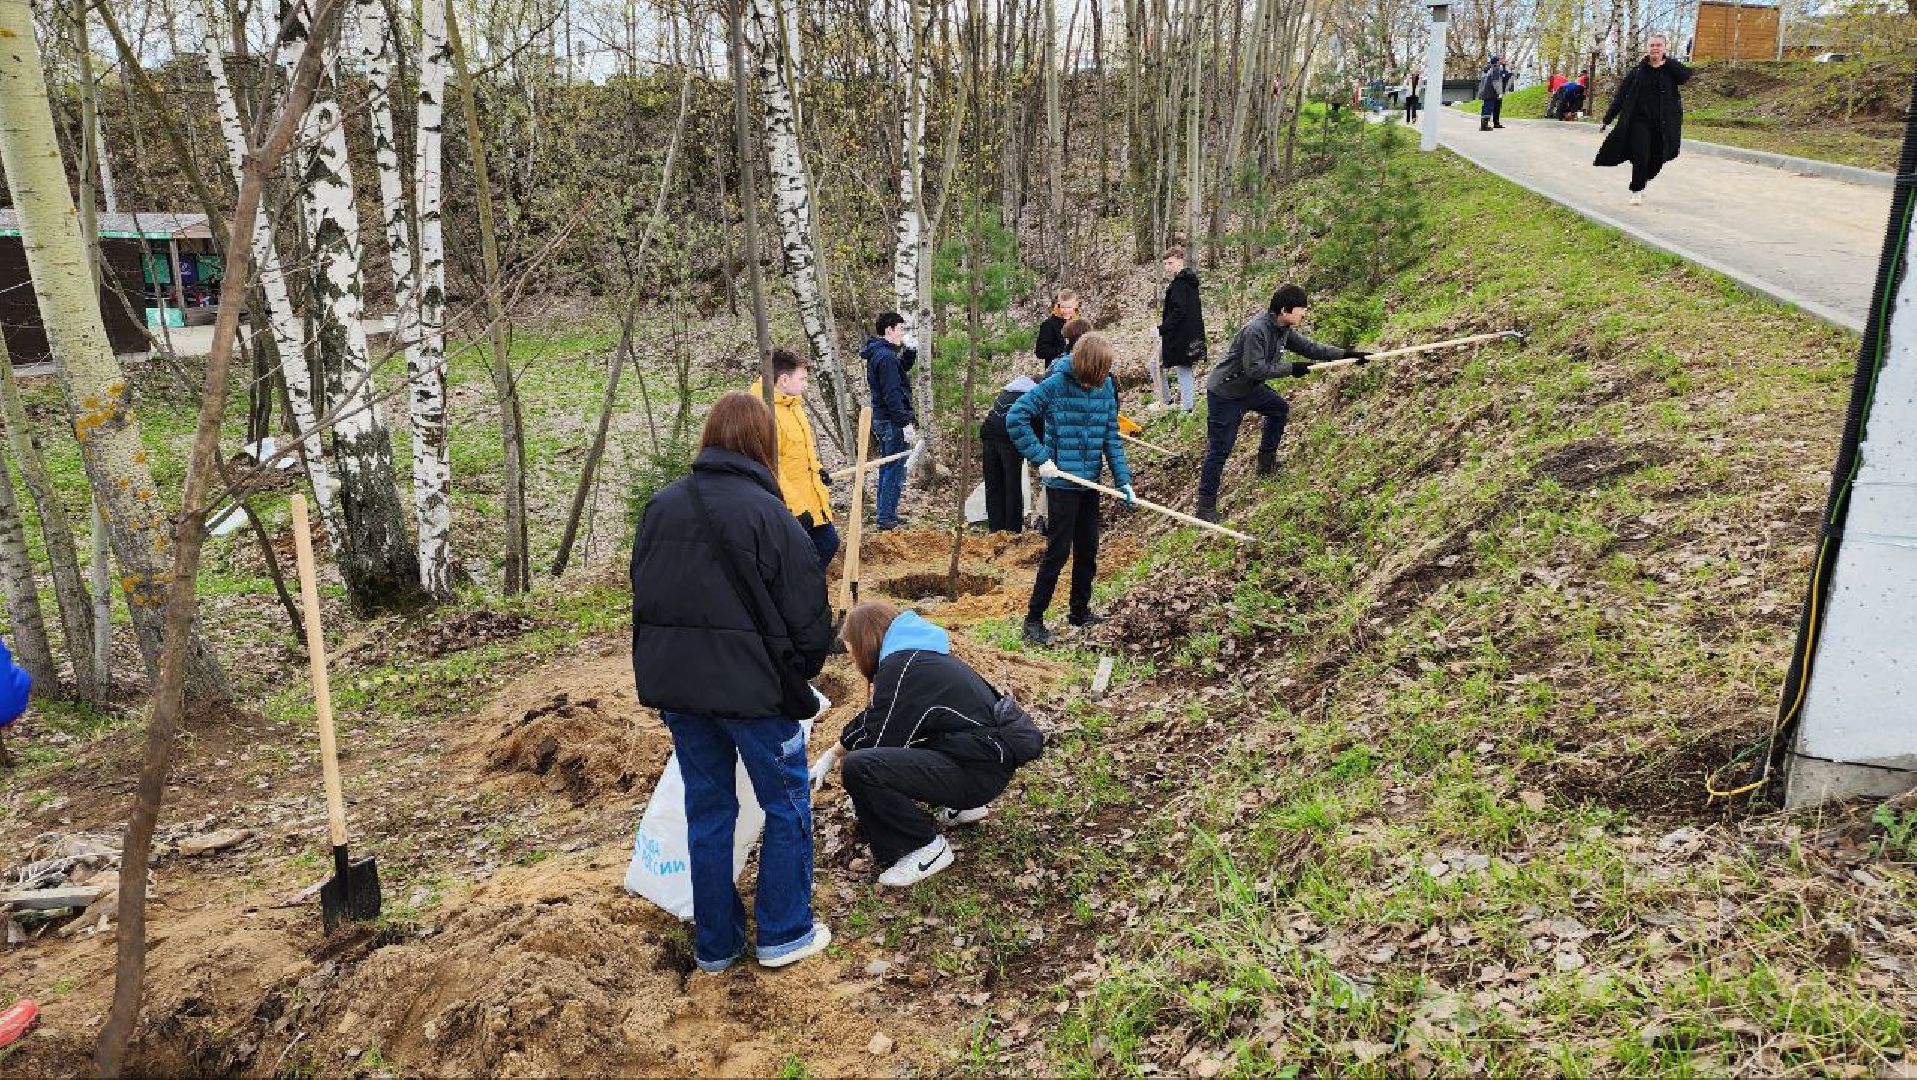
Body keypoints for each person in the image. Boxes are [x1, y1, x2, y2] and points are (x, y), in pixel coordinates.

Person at [629, 391, 836, 974]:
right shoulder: (771, 515)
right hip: (755, 695)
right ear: (761, 445)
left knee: (709, 810)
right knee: (788, 803)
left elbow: (645, 596)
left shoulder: (662, 507)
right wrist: (799, 669)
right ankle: (784, 932)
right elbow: (807, 611)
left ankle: (716, 945)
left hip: (684, 694)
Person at [810, 602, 1032, 886]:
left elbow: (877, 741)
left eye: (851, 650)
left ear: (865, 641)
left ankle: (922, 847)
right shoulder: (915, 657)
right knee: (891, 749)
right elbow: (874, 717)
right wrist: (830, 754)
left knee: (860, 767)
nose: (851, 659)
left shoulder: (899, 670)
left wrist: (860, 790)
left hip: (979, 773)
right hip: (987, 761)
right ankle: (959, 807)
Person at [1196, 285, 1368, 524]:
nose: (1304, 313)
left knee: (1279, 409)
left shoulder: (1283, 328)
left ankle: (1266, 464)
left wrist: (1347, 355)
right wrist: (1292, 368)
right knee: (1220, 448)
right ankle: (1205, 506)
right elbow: (1254, 369)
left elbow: (1310, 348)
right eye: (1301, 309)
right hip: (1225, 393)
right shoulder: (1256, 331)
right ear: (1285, 310)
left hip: (1249, 389)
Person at [1006, 331, 1133, 645]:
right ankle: (1033, 621)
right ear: (1086, 366)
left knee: (1088, 549)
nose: (1102, 378)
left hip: (1089, 481)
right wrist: (1041, 458)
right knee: (1058, 552)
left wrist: (1123, 480)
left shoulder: (1105, 388)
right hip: (1062, 481)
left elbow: (1111, 439)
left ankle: (1079, 611)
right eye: (1098, 372)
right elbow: (1016, 417)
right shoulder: (1055, 385)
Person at [750, 348, 838, 567]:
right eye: (802, 379)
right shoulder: (764, 412)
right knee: (819, 547)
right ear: (784, 379)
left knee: (826, 543)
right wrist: (796, 509)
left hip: (809, 497)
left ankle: (806, 592)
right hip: (789, 505)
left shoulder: (793, 405)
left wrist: (818, 469)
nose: (805, 385)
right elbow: (771, 466)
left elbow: (799, 451)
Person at [1595, 35, 1690, 207]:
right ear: (1647, 48)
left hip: (1663, 123)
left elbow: (1685, 76)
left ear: (1664, 48)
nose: (1655, 48)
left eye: (1659, 45)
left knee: (1658, 156)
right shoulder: (1638, 71)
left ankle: (1644, 177)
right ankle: (1636, 190)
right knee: (1640, 155)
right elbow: (1621, 96)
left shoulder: (1671, 69)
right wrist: (1607, 119)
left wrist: (1666, 62)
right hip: (1640, 122)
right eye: (1652, 45)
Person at [860, 312, 918, 531]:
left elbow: (898, 373)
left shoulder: (883, 354)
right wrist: (904, 423)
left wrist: (910, 353)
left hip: (884, 418)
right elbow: (892, 392)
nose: (903, 333)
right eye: (900, 329)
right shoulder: (884, 357)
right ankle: (885, 518)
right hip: (891, 420)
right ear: (889, 330)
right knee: (894, 467)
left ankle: (887, 513)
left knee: (887, 465)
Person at [979, 374, 1039, 534]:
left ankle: (995, 529)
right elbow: (1038, 425)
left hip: (988, 435)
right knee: (1012, 486)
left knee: (993, 485)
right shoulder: (1033, 394)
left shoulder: (1007, 390)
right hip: (1009, 440)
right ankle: (1013, 531)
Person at [1153, 246, 1204, 414]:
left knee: (1183, 368)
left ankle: (1187, 408)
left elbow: (1179, 312)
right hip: (1178, 335)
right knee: (1154, 364)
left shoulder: (1182, 284)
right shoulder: (1183, 282)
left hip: (1182, 336)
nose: (1168, 267)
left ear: (1180, 261)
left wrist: (1161, 329)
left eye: (1171, 263)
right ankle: (1166, 400)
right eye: (1166, 264)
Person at [1034, 290, 1080, 365]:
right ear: (1058, 305)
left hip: (1077, 368)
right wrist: (1064, 350)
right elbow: (1040, 352)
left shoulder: (1079, 324)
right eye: (1063, 307)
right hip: (1055, 369)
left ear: (1075, 306)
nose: (1066, 311)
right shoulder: (1048, 325)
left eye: (1069, 307)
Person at [1477, 55, 1508, 131]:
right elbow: (1496, 82)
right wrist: (1499, 93)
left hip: (1485, 91)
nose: (1502, 60)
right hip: (1491, 92)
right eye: (1500, 59)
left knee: (1485, 108)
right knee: (1488, 108)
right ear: (1497, 61)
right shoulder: (1495, 69)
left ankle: (1484, 125)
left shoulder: (1487, 69)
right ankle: (1484, 126)